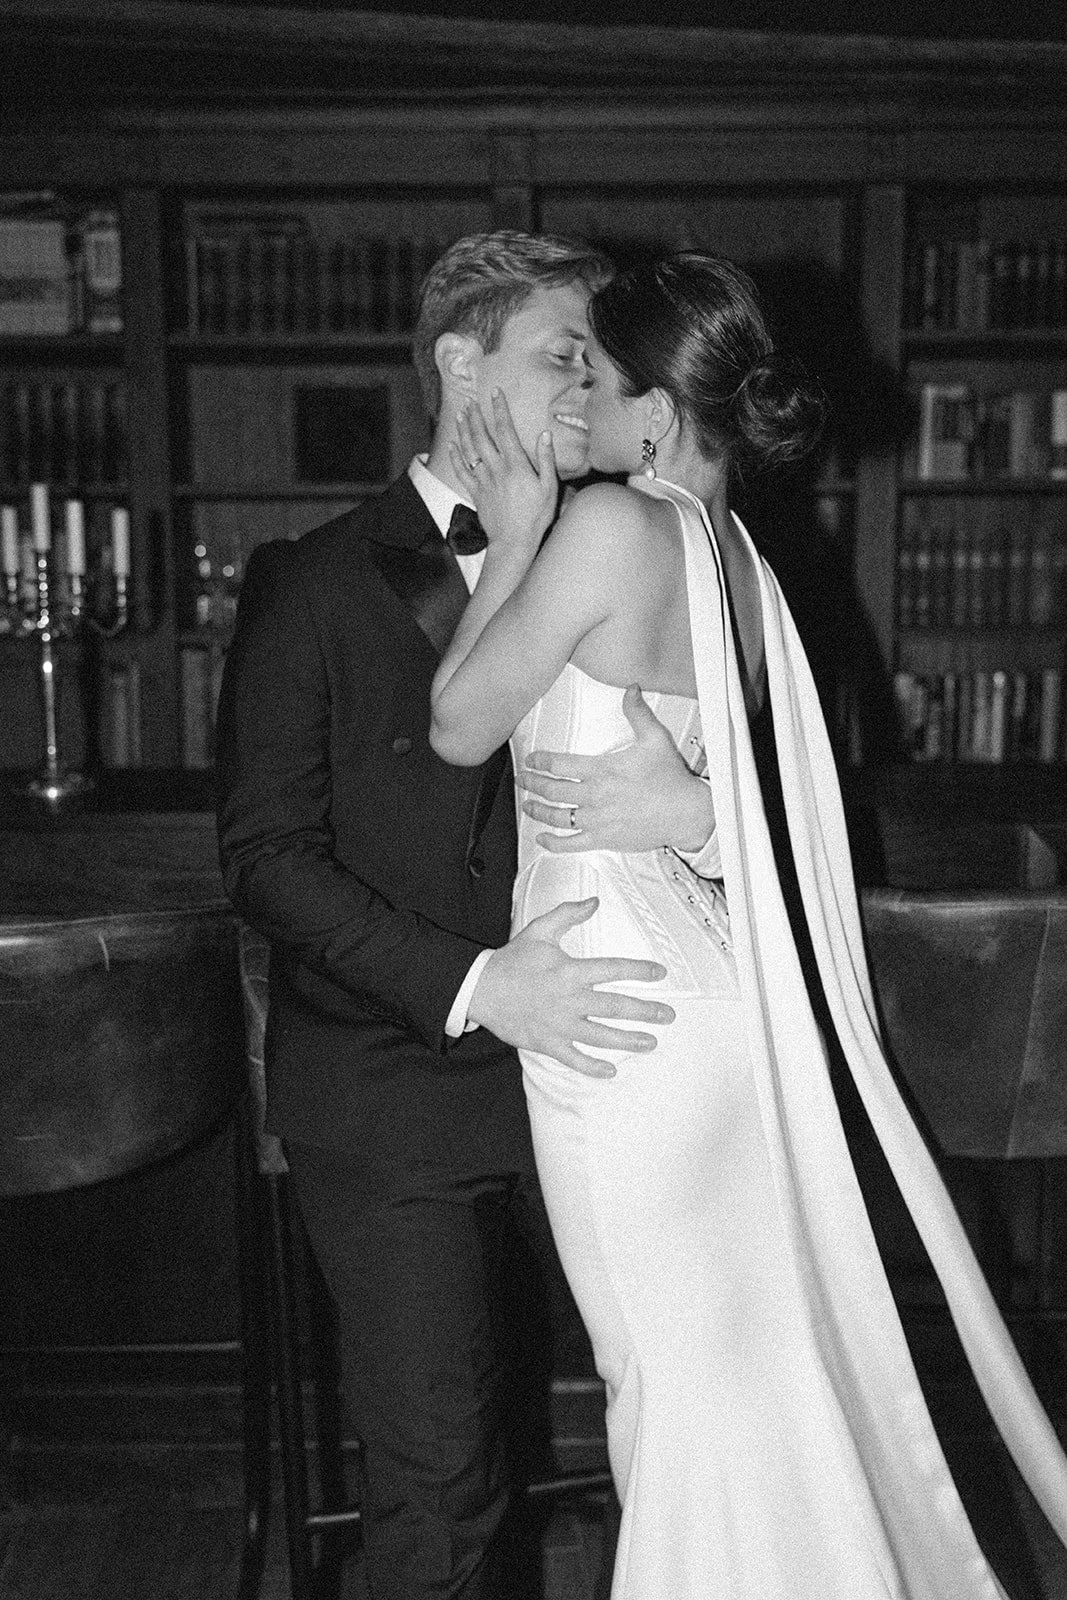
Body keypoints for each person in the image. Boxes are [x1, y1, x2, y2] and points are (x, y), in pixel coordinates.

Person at [429, 251, 1067, 1598]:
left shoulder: (605, 528)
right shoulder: (740, 561)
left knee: (663, 1385)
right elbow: (755, 806)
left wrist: (520, 521)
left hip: (614, 1015)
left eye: (590, 377)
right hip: (713, 1001)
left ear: (655, 413)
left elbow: (456, 723)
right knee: (744, 1371)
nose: (574, 405)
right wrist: (691, 803)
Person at [215, 230, 723, 1600]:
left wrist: (698, 812)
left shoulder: (635, 545)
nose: (585, 391)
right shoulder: (312, 580)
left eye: (599, 367)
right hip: (396, 1091)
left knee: (675, 1447)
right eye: (563, 356)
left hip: (619, 1076)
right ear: (458, 358)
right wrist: (470, 984)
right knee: (442, 1492)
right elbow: (266, 857)